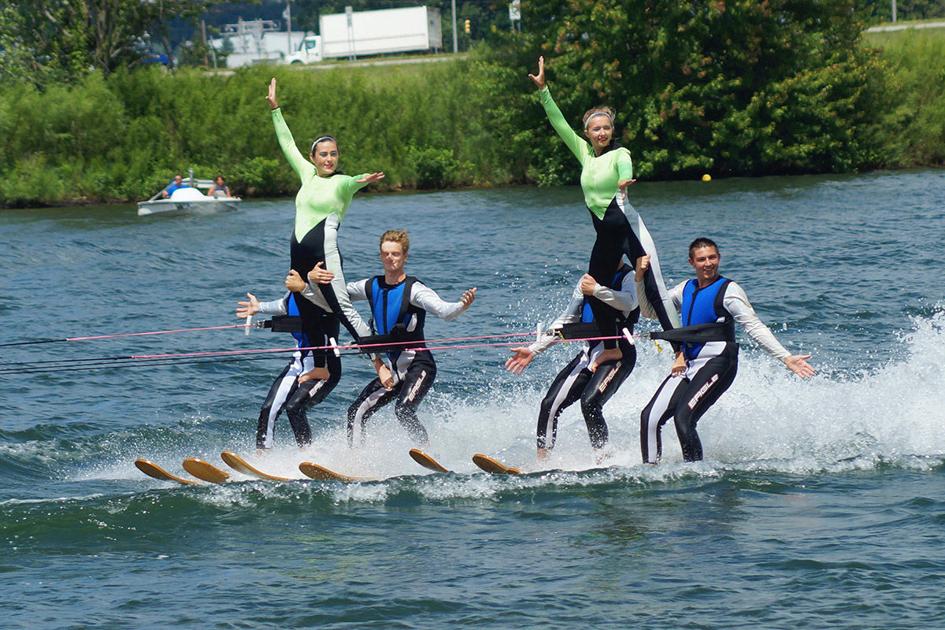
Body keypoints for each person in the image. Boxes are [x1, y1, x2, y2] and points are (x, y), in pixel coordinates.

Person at [528, 56, 679, 371]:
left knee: (654, 287)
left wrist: (625, 179)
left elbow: (625, 167)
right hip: (605, 236)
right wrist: (544, 91)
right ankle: (610, 347)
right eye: (596, 129)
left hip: (628, 229)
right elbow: (558, 123)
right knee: (591, 286)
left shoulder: (619, 154)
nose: (602, 133)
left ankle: (679, 349)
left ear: (612, 130)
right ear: (587, 132)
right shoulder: (585, 155)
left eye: (606, 128)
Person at [638, 238, 816, 464]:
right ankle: (650, 471)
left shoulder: (729, 291)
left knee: (683, 419)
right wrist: (639, 279)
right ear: (692, 262)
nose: (708, 263)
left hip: (719, 362)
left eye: (712, 257)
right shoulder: (685, 289)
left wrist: (786, 358)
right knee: (649, 417)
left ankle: (696, 476)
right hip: (690, 364)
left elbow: (753, 326)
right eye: (702, 259)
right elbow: (650, 312)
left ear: (719, 258)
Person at [307, 230, 476, 447]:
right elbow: (331, 299)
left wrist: (462, 305)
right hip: (394, 369)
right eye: (386, 253)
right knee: (356, 412)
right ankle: (356, 462)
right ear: (380, 256)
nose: (390, 258)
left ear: (405, 257)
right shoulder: (370, 286)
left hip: (419, 365)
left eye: (395, 254)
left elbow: (444, 311)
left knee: (403, 410)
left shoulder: (414, 290)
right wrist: (312, 282)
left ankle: (427, 453)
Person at [266, 77, 385, 384]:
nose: (329, 159)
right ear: (313, 158)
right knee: (306, 307)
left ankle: (379, 363)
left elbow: (351, 180)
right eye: (324, 154)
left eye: (334, 154)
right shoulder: (307, 175)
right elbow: (287, 144)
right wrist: (275, 110)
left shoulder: (340, 185)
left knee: (343, 309)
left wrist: (363, 179)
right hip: (298, 257)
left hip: (324, 255)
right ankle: (320, 364)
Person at [505, 259, 640, 462]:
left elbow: (630, 302)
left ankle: (604, 460)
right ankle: (542, 463)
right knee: (549, 404)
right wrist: (534, 349)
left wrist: (595, 289)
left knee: (590, 402)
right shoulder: (585, 279)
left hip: (619, 355)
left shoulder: (629, 277)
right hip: (589, 354)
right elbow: (568, 320)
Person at [236, 271, 342, 451]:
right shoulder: (292, 295)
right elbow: (282, 305)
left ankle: (307, 456)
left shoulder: (320, 295)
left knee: (294, 408)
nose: (288, 276)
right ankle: (262, 456)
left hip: (324, 367)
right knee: (268, 409)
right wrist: (258, 307)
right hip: (298, 363)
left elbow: (335, 309)